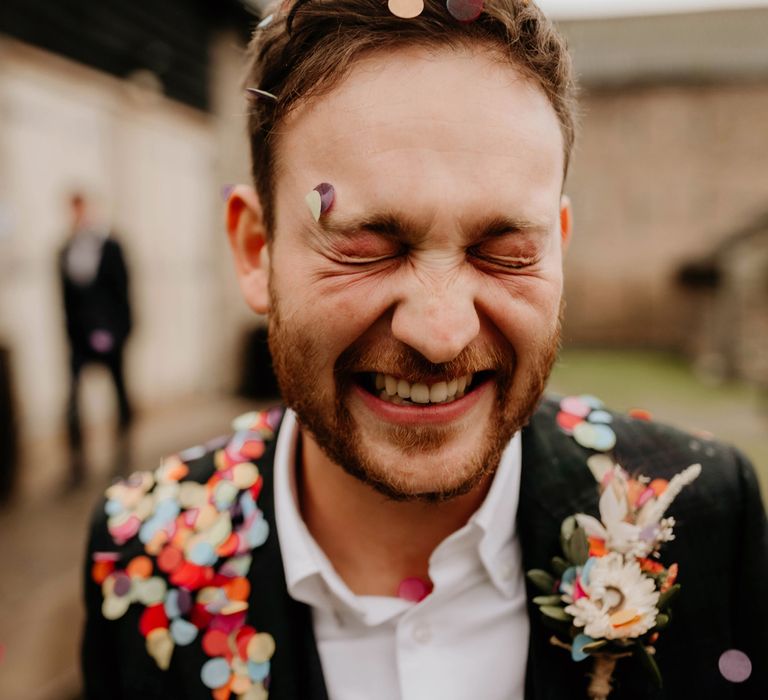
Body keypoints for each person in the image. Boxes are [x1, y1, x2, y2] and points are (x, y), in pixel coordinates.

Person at [81, 1, 767, 698]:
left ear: (557, 245)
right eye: (365, 250)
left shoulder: (706, 519)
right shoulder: (141, 552)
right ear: (257, 250)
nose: (442, 334)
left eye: (505, 253)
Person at [60, 192, 133, 485]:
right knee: (73, 399)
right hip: (79, 338)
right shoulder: (66, 251)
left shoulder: (110, 247)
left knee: (120, 392)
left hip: (110, 334)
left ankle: (123, 452)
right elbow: (65, 300)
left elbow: (123, 290)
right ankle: (77, 460)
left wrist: (122, 331)